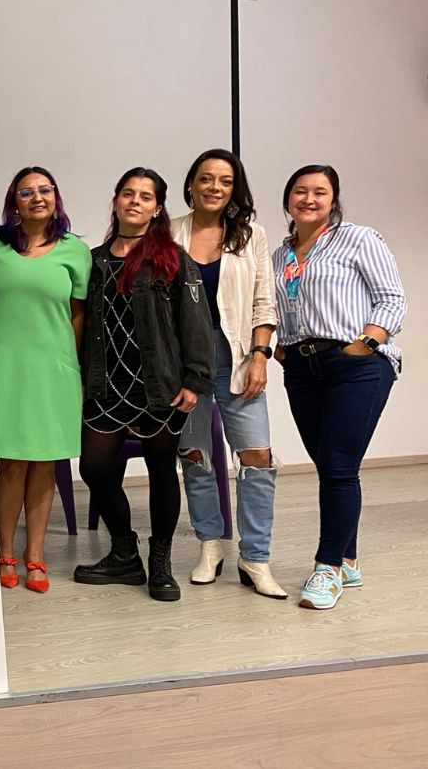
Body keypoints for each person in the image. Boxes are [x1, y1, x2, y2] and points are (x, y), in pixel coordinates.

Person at [73, 168, 214, 602]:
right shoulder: (93, 260)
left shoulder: (172, 258)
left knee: (160, 473)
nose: (135, 201)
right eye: (128, 193)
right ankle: (123, 553)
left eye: (146, 196)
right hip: (106, 384)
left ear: (157, 209)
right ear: (116, 200)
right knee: (94, 469)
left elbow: (196, 323)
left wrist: (195, 379)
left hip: (160, 386)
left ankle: (160, 563)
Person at [271, 165, 405, 610]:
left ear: (334, 199)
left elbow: (392, 296)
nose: (308, 199)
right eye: (300, 191)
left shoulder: (359, 238)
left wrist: (366, 344)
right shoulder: (281, 254)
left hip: (356, 367)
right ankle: (348, 559)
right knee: (330, 465)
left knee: (339, 466)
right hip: (302, 369)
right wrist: (283, 347)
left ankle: (326, 568)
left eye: (320, 192)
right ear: (289, 198)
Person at [172, 149, 285, 598]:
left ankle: (255, 557)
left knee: (257, 458)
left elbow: (263, 299)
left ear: (235, 188)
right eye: (206, 178)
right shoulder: (170, 232)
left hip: (239, 360)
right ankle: (210, 544)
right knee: (196, 456)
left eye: (224, 180)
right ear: (191, 184)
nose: (214, 187)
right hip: (186, 368)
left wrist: (260, 354)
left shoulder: (250, 235)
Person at [0, 167, 90, 594]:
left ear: (57, 199)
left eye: (46, 190)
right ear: (14, 202)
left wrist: (74, 367)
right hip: (6, 368)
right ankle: (4, 550)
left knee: (45, 462)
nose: (37, 197)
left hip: (55, 369)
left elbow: (79, 314)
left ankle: (36, 555)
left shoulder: (74, 251)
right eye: (27, 191)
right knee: (10, 464)